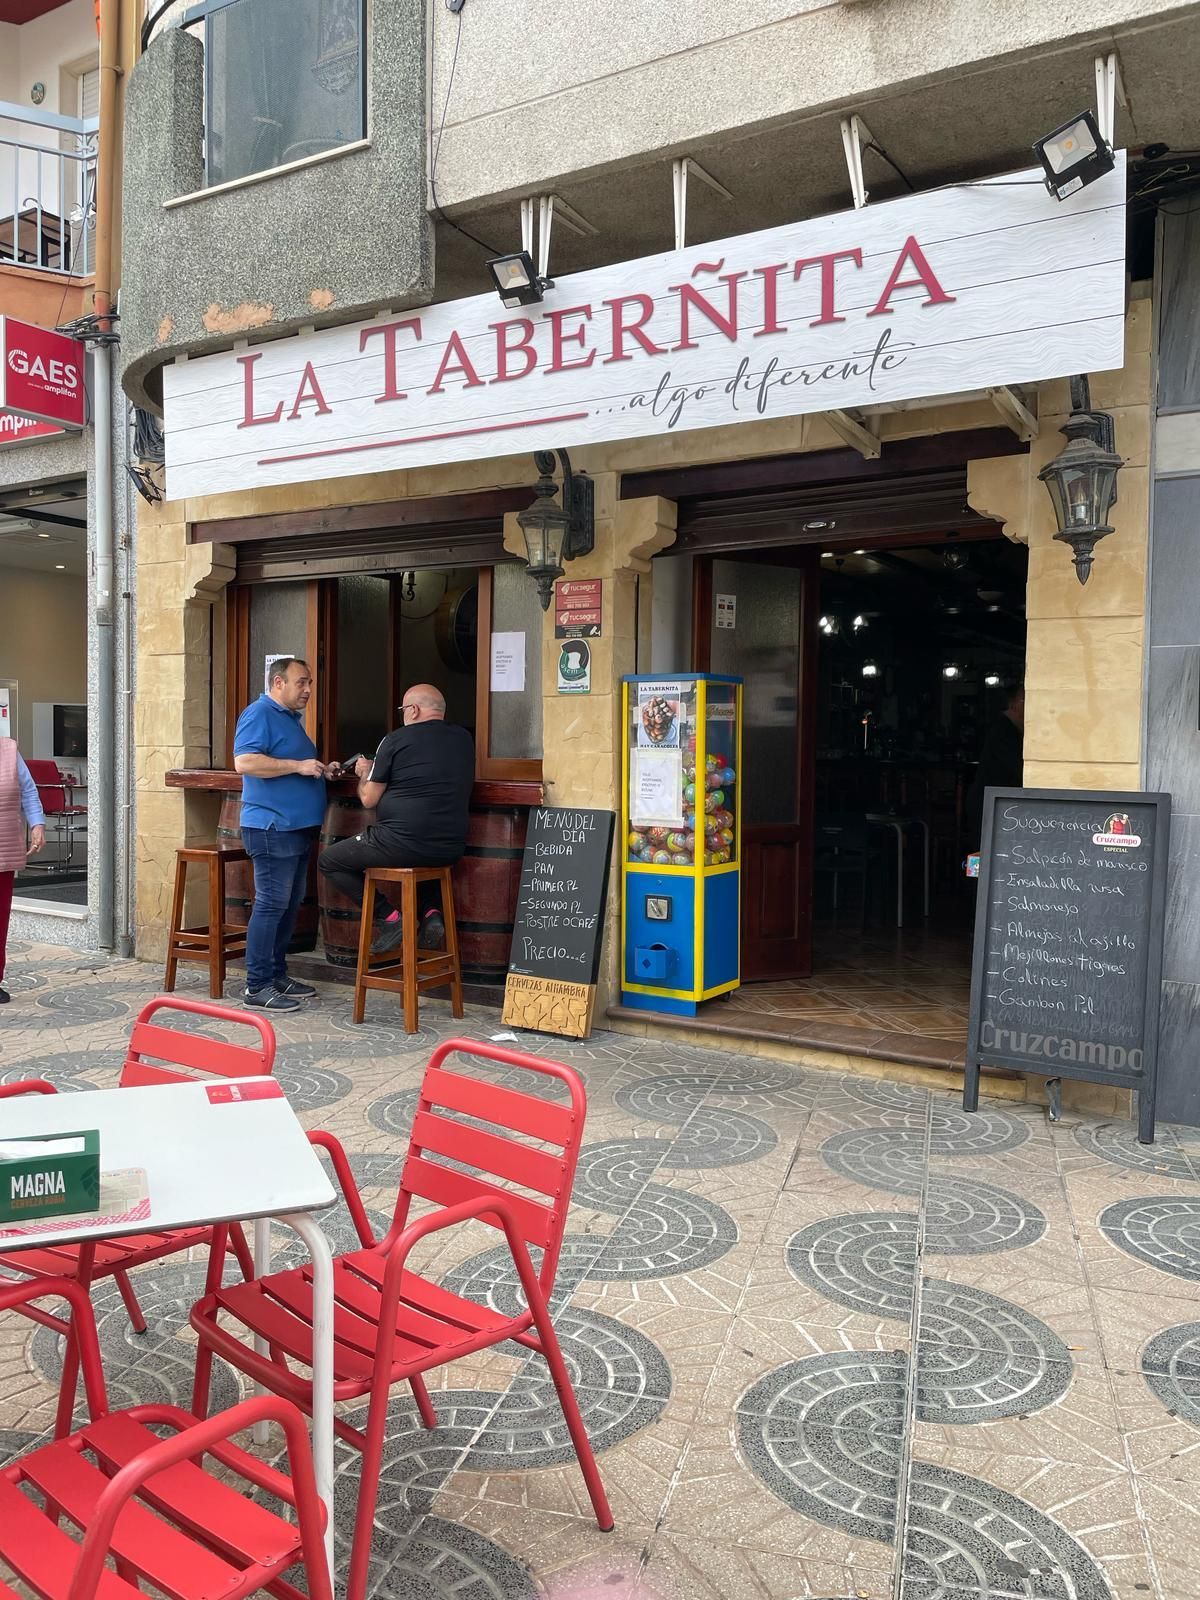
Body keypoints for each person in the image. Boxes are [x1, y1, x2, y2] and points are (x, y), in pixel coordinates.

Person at [318, 684, 474, 953]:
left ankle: (390, 919)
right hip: (450, 847)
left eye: (403, 709)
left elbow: (368, 799)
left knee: (329, 861)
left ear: (413, 710)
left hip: (399, 842)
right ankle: (431, 914)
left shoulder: (395, 740)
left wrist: (366, 771)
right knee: (423, 858)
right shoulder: (464, 738)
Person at [233, 658, 330, 1012]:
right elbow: (245, 762)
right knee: (272, 905)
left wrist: (319, 770)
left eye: (309, 684)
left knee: (288, 907)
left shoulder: (289, 720)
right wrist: (298, 766)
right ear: (278, 682)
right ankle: (256, 985)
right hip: (272, 826)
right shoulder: (259, 713)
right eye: (301, 683)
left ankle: (276, 974)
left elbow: (289, 766)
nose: (307, 690)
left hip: (295, 827)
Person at [0, 737, 46, 1003]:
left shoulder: (8, 750)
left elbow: (28, 790)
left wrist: (37, 825)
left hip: (3, 848)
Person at [965, 681, 1024, 850]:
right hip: (990, 808)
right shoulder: (1004, 732)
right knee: (989, 861)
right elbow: (1022, 770)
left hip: (999, 807)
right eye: (1025, 700)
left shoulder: (1009, 731)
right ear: (1013, 703)